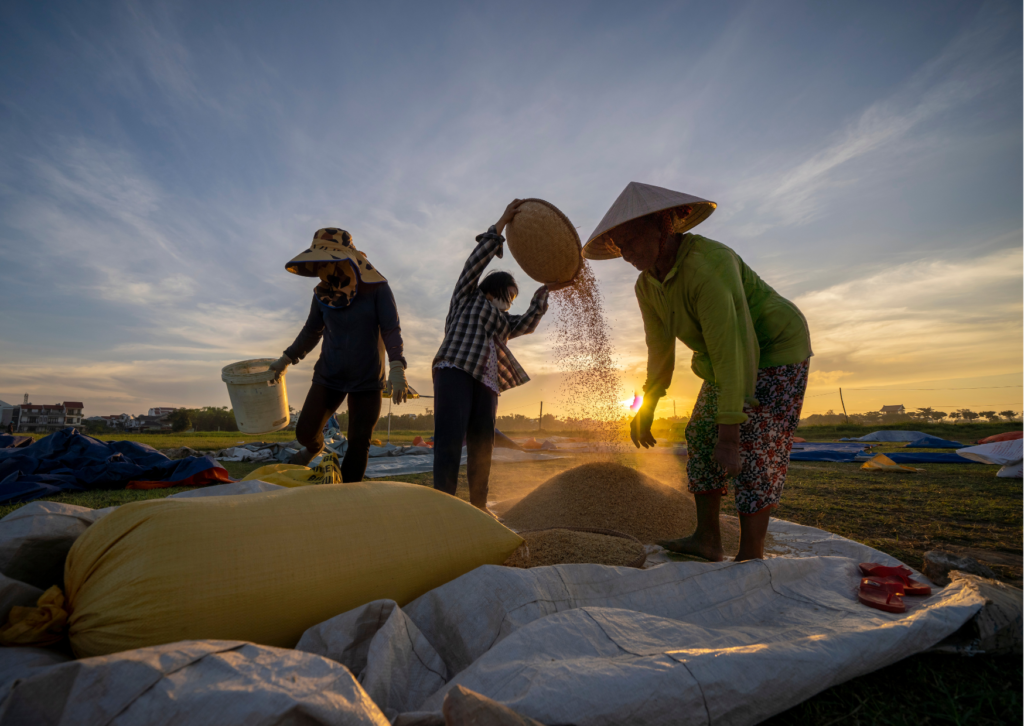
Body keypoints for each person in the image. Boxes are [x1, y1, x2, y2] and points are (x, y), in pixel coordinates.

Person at [583, 182, 812, 561]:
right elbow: (659, 351)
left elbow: (733, 347)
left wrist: (731, 437)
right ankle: (707, 539)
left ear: (664, 226)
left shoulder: (708, 264)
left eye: (631, 239)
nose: (626, 253)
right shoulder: (647, 286)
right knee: (700, 432)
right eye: (618, 246)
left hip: (775, 349)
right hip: (724, 357)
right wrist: (646, 407)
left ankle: (750, 553)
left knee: (756, 446)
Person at [432, 199, 566, 513]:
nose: (510, 305)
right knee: (450, 439)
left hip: (487, 383)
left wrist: (547, 289)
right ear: (494, 291)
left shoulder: (503, 323)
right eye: (509, 298)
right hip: (456, 369)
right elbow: (474, 264)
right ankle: (442, 508)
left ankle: (478, 508)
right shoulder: (467, 298)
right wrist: (502, 223)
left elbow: (528, 322)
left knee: (483, 447)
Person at [269, 227, 409, 481]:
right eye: (318, 263)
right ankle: (315, 448)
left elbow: (390, 329)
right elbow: (311, 331)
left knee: (359, 441)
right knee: (305, 432)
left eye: (325, 261)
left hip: (367, 377)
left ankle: (347, 496)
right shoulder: (322, 294)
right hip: (329, 374)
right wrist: (286, 358)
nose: (320, 268)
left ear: (345, 258)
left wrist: (397, 366)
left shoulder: (377, 288)